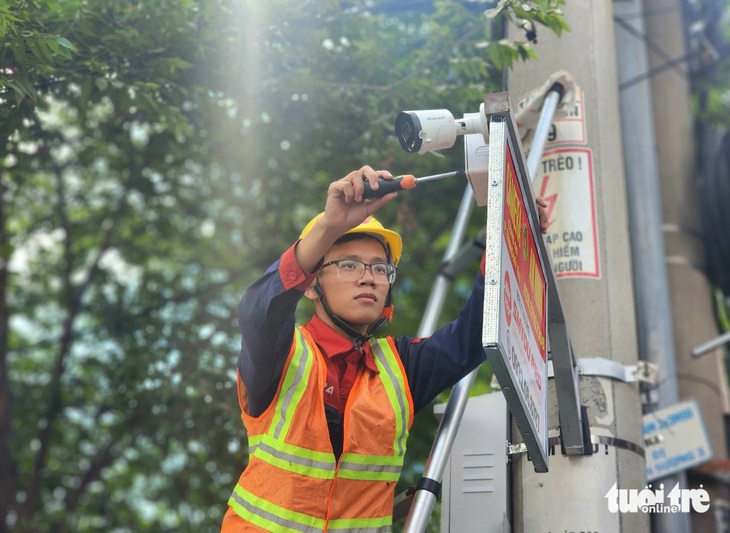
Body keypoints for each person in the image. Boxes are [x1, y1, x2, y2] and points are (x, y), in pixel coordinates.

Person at [221, 166, 548, 532]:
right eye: (349, 265)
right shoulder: (281, 355)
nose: (368, 277)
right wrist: (329, 225)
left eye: (380, 269)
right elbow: (258, 310)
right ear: (312, 286)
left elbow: (474, 336)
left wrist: (508, 239)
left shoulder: (400, 367)